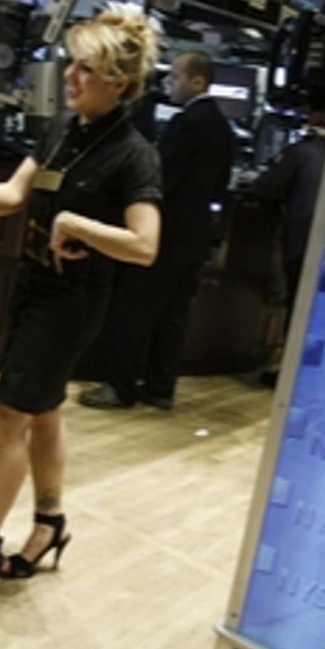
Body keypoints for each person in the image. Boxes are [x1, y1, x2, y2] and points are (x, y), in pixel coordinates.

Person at [0, 5, 162, 612]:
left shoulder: (135, 155)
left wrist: (77, 222)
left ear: (122, 84)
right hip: (32, 287)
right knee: (44, 410)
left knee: (8, 417)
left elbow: (145, 246)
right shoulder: (63, 128)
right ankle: (50, 523)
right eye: (71, 64)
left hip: (72, 303)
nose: (71, 76)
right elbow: (13, 195)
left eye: (87, 69)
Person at [79, 50, 236, 410]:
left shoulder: (187, 124)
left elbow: (160, 179)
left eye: (176, 77)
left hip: (165, 237)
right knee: (173, 318)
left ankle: (119, 388)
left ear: (198, 81)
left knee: (133, 311)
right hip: (193, 242)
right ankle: (160, 388)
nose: (169, 84)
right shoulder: (223, 128)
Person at [249, 130, 325, 386]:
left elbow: (266, 189)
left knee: (298, 309)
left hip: (303, 243)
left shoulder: (302, 152)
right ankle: (309, 374)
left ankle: (287, 373)